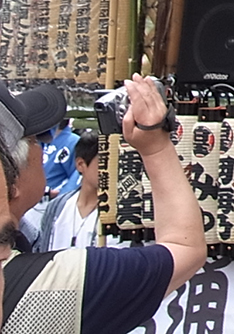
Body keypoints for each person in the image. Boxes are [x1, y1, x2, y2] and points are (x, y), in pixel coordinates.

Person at [0, 75, 206, 334]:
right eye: (33, 140)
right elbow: (184, 247)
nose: (41, 150)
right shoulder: (59, 283)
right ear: (9, 182)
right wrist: (156, 148)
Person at [37, 130, 101, 251]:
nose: (110, 169)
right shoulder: (57, 206)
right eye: (103, 163)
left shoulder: (117, 212)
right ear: (80, 164)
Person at [39, 118, 80, 200]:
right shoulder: (39, 139)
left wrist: (59, 193)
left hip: (54, 199)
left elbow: (77, 175)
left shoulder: (73, 141)